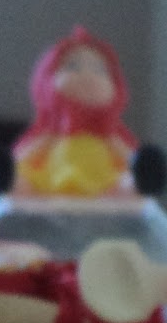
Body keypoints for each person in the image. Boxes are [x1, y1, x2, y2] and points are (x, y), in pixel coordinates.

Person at [13, 27, 138, 198]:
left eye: (100, 70)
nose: (88, 75)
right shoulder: (52, 133)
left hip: (105, 190)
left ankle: (132, 187)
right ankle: (10, 181)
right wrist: (12, 165)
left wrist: (141, 166)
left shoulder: (109, 136)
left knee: (129, 183)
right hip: (51, 187)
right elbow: (26, 155)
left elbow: (130, 157)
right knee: (22, 180)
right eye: (72, 66)